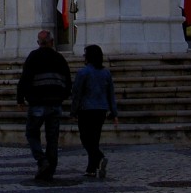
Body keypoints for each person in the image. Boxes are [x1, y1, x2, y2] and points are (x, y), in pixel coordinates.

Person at [16, 29, 72, 182]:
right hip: (55, 103)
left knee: (32, 133)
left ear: (38, 43)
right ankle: (50, 169)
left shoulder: (34, 57)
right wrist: (62, 97)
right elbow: (68, 82)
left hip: (38, 103)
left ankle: (42, 161)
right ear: (52, 42)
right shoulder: (59, 58)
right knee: (52, 138)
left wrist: (20, 99)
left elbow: (25, 79)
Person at [71, 43, 118, 178]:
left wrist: (73, 111)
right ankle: (91, 168)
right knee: (94, 139)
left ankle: (99, 157)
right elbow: (111, 94)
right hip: (101, 109)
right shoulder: (106, 72)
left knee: (85, 138)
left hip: (86, 109)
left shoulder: (83, 72)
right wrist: (114, 112)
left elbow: (77, 93)